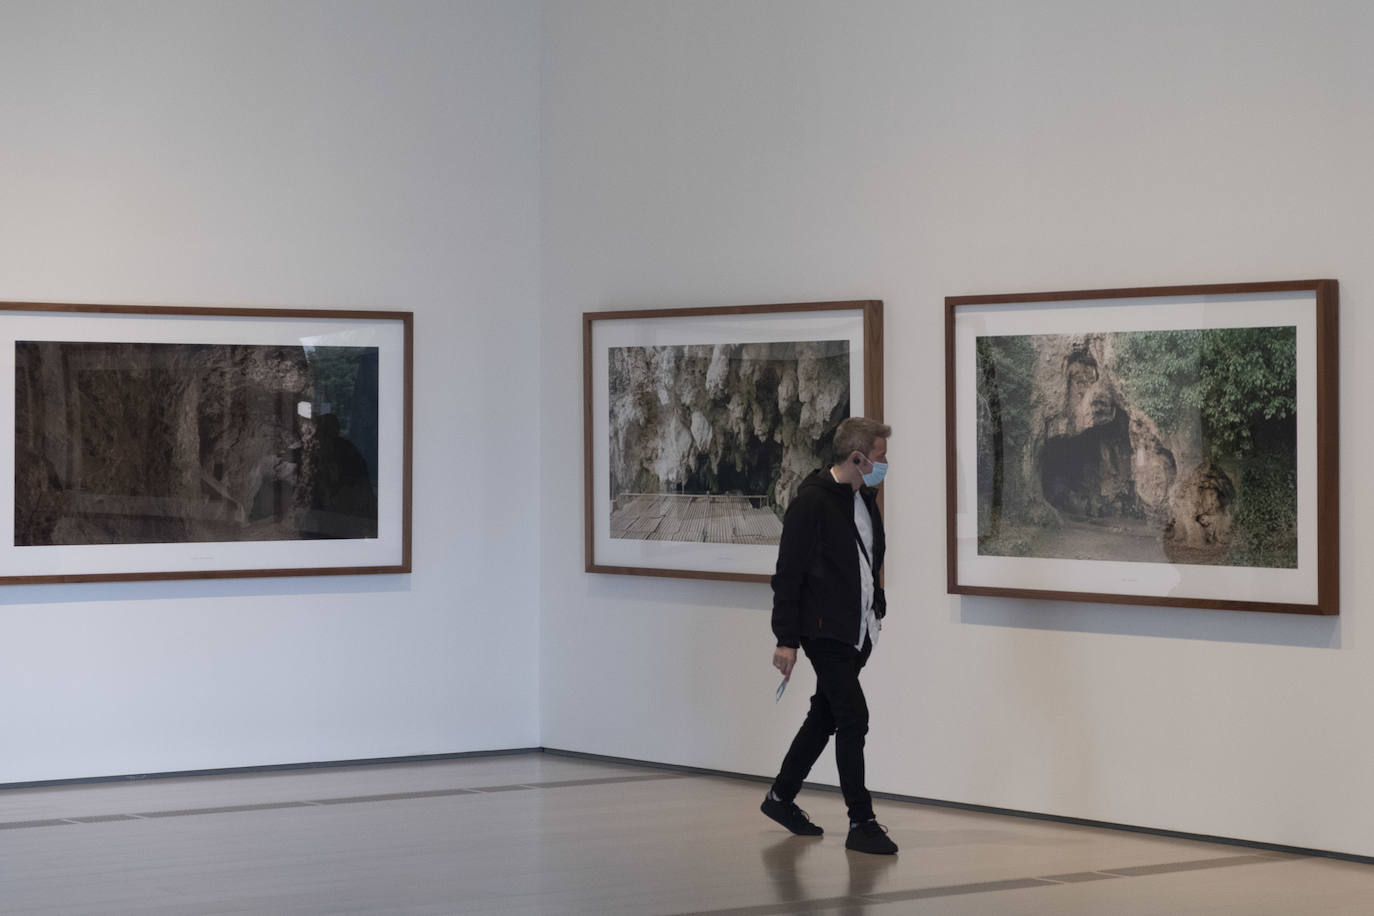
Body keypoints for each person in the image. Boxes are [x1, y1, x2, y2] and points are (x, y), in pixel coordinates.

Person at [760, 417, 897, 856]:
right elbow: (788, 576)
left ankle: (780, 798)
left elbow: (867, 560)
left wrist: (876, 601)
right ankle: (862, 821)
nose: (885, 463)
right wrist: (786, 639)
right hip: (824, 633)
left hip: (857, 632)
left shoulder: (864, 499)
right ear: (857, 457)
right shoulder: (811, 504)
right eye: (880, 456)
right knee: (853, 716)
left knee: (827, 714)